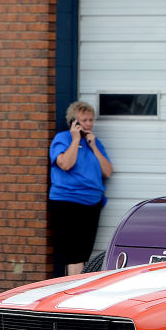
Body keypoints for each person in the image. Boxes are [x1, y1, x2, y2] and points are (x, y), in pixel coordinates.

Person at [48, 101, 113, 276]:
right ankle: (72, 289)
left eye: (91, 120)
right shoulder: (62, 139)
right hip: (67, 201)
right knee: (72, 252)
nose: (89, 124)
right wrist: (76, 140)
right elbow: (66, 164)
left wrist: (93, 147)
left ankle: (76, 287)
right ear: (74, 122)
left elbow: (107, 171)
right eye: (84, 120)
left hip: (91, 202)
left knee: (84, 251)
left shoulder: (95, 143)